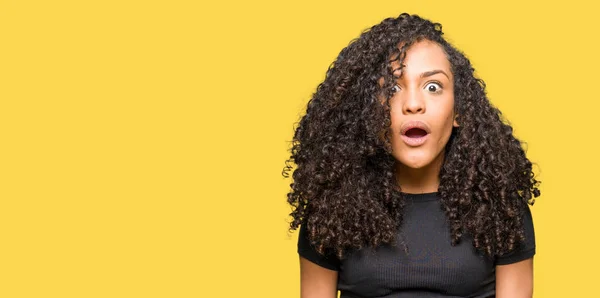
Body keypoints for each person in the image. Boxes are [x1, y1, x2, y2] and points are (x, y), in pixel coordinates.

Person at [282, 13, 541, 298]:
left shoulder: (501, 210)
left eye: (433, 87)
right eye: (392, 88)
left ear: (459, 111)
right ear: (369, 110)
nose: (414, 104)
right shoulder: (330, 212)